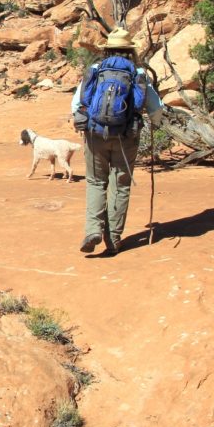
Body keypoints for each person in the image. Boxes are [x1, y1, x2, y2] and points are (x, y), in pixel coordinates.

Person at [71, 28, 164, 256]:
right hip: (126, 137)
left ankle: (93, 229)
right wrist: (156, 122)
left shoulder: (95, 69)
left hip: (95, 135)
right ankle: (113, 238)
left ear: (108, 49)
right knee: (120, 186)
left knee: (95, 182)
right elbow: (156, 108)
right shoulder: (137, 72)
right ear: (129, 50)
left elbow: (77, 104)